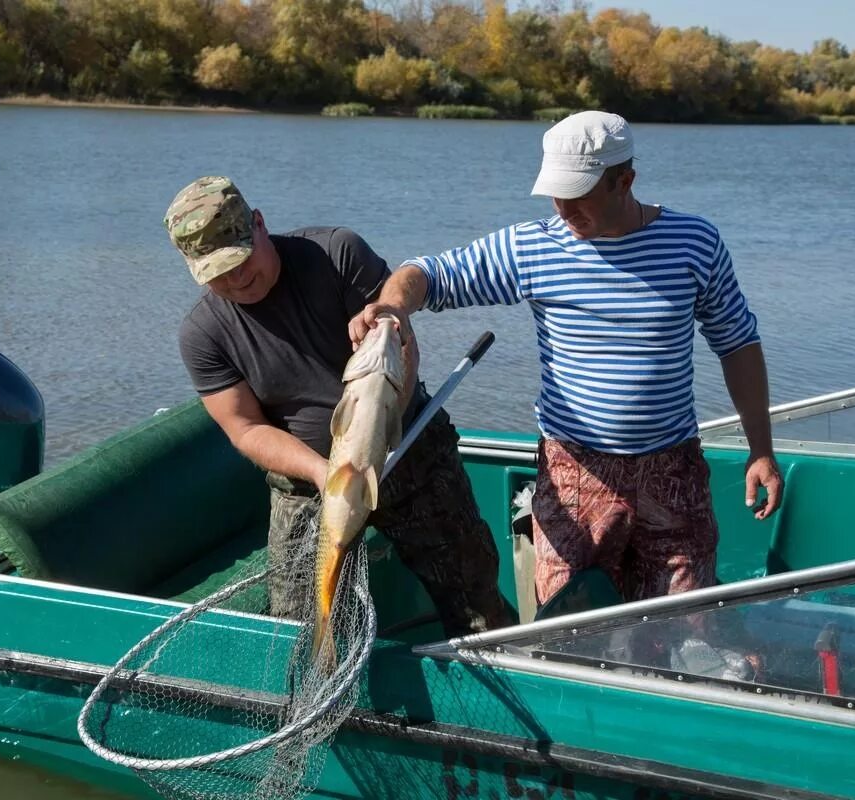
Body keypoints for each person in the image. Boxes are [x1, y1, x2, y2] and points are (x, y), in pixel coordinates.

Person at [350, 111, 784, 607]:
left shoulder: (695, 243)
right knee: (567, 627)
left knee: (682, 625)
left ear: (625, 181)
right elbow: (427, 273)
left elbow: (738, 344)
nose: (563, 207)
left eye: (578, 194)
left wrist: (761, 450)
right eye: (556, 192)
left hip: (671, 471)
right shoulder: (535, 247)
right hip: (573, 472)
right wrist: (390, 307)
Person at [165, 176, 511, 635]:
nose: (236, 279)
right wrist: (322, 473)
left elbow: (401, 345)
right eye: (216, 274)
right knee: (302, 625)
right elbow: (245, 428)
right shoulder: (203, 334)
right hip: (310, 484)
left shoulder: (336, 254)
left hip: (409, 451)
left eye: (240, 259)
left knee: (476, 601)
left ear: (260, 223)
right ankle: (325, 687)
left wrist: (376, 437)